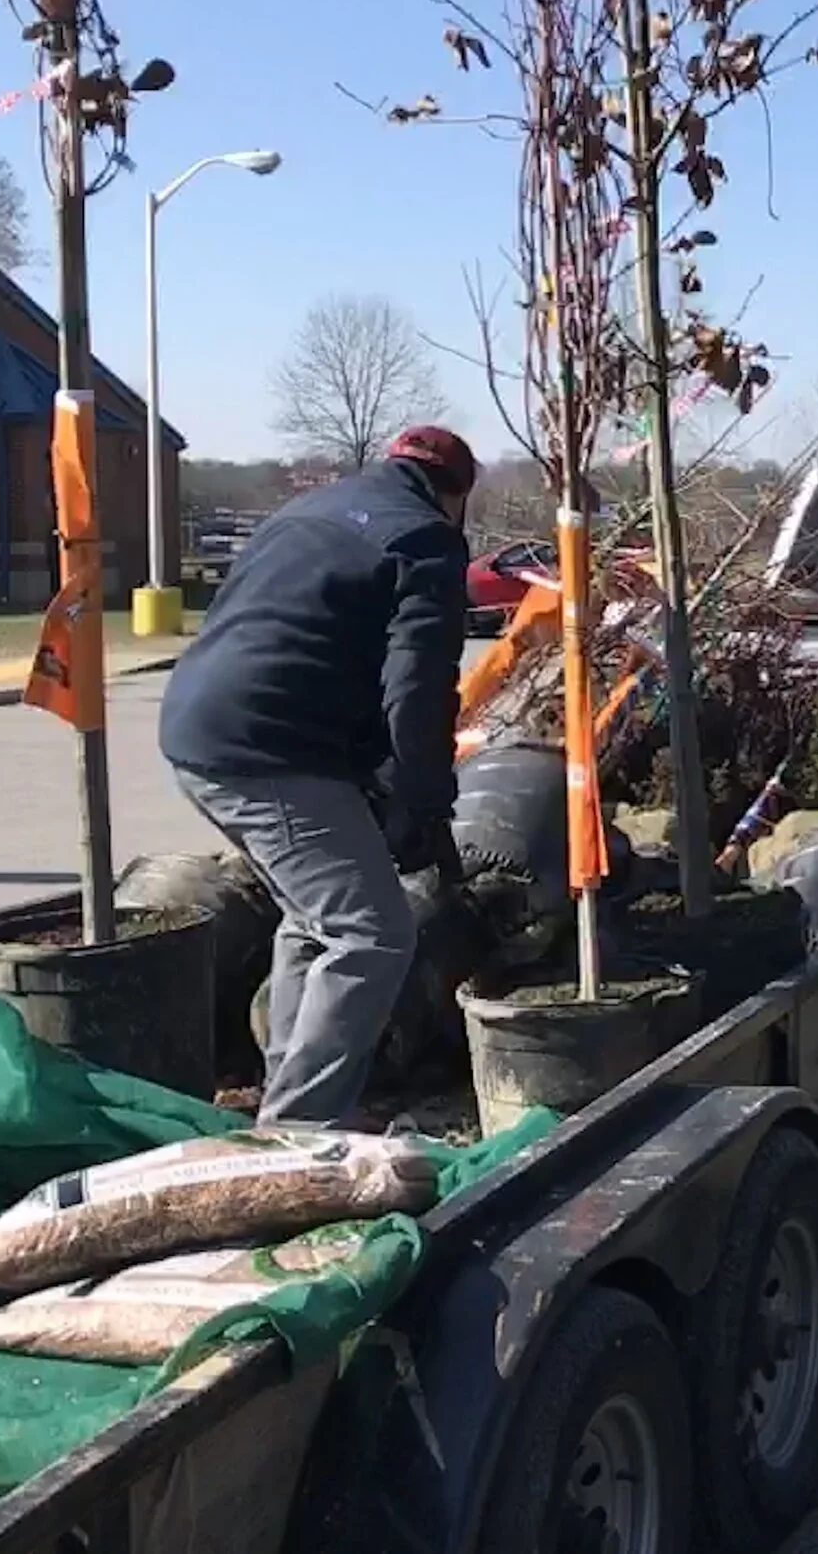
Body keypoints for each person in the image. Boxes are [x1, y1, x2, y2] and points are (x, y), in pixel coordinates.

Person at [159, 426, 478, 1127]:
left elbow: (307, 636)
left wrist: (375, 774)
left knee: (314, 918)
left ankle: (288, 1096)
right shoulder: (426, 539)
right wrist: (424, 802)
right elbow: (418, 690)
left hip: (197, 726)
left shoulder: (308, 509)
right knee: (373, 933)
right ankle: (299, 1130)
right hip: (269, 748)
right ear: (456, 496)